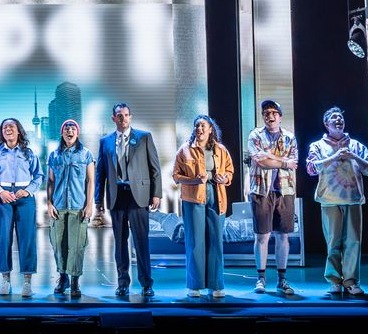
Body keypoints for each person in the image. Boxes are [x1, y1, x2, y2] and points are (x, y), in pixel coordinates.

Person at [305, 106, 368, 296]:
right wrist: (334, 156)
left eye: (340, 118)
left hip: (353, 200)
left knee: (353, 242)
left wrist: (353, 156)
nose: (338, 121)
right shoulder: (318, 146)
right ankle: (335, 280)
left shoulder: (357, 146)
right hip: (329, 199)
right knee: (333, 242)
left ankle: (351, 281)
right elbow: (311, 168)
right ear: (326, 124)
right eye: (334, 118)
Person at [95, 103, 162, 297]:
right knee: (120, 243)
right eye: (119, 115)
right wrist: (98, 199)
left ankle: (146, 283)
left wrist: (156, 193)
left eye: (126, 115)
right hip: (117, 196)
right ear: (113, 118)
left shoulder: (144, 137)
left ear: (130, 117)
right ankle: (122, 282)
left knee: (141, 242)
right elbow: (100, 172)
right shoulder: (105, 141)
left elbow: (155, 168)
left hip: (139, 196)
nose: (123, 118)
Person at [173, 115, 234, 299]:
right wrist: (194, 180)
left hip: (216, 195)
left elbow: (230, 170)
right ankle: (195, 285)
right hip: (193, 198)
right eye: (197, 125)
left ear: (210, 129)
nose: (199, 128)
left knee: (216, 241)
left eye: (203, 125)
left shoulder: (220, 150)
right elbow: (176, 176)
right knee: (195, 241)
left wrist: (225, 178)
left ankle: (216, 285)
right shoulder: (185, 150)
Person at [245, 99, 298, 295]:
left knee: (283, 236)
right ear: (263, 117)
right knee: (262, 236)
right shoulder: (255, 135)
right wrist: (283, 161)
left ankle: (282, 279)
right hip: (261, 190)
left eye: (274, 113)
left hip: (285, 190)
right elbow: (260, 161)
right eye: (266, 113)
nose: (270, 116)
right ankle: (261, 278)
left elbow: (295, 161)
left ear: (280, 117)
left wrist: (272, 157)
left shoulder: (290, 137)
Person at [0, 118, 43, 297]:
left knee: (27, 239)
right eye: (4, 127)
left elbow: (38, 175)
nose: (8, 129)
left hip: (24, 197)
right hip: (2, 197)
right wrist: (0, 192)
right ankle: (6, 280)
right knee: (3, 237)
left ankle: (27, 282)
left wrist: (28, 191)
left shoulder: (29, 152)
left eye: (11, 126)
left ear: (19, 131)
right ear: (1, 132)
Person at [45, 119, 95, 298]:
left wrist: (89, 205)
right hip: (58, 207)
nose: (69, 131)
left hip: (78, 207)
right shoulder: (54, 155)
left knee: (76, 246)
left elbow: (91, 181)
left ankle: (74, 280)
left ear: (77, 133)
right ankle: (63, 277)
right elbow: (50, 181)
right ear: (62, 133)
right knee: (58, 244)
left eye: (73, 128)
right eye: (66, 128)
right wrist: (49, 203)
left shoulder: (86, 154)